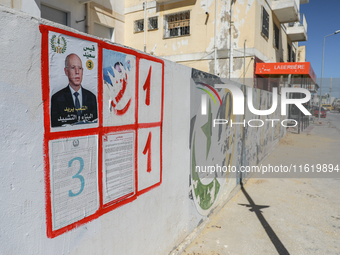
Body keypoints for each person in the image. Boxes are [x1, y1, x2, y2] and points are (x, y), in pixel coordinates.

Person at [51, 53, 98, 127]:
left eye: (79, 68)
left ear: (82, 71)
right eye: (73, 68)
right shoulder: (57, 98)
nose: (77, 72)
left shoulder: (91, 97)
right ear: (66, 71)